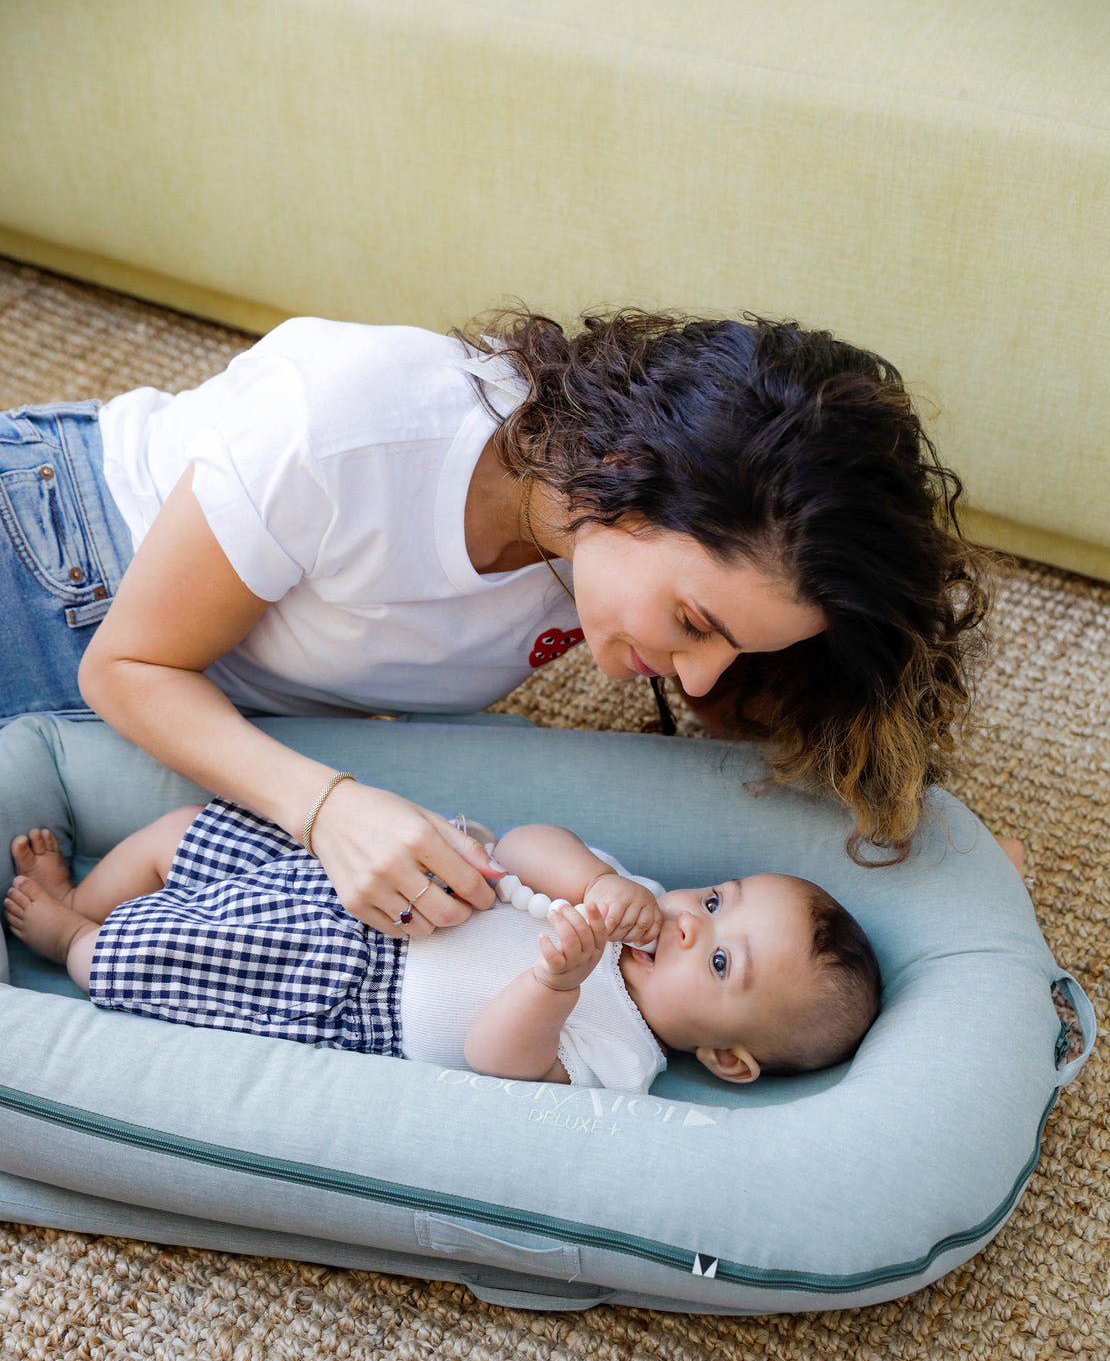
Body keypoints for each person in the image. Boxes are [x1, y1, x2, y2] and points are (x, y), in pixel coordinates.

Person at [0, 309, 991, 938]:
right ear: (622, 477)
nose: (694, 681)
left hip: (185, 685)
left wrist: (937, 858)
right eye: (695, 622)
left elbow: (799, 748)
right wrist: (328, 808)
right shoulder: (350, 422)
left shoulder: (598, 547)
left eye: (732, 645)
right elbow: (124, 667)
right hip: (55, 567)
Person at [4, 811, 881, 1090]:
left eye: (722, 963)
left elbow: (496, 1060)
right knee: (189, 832)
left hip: (346, 987)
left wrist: (557, 981)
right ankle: (87, 892)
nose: (693, 923)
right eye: (719, 898)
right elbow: (523, 840)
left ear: (726, 1056)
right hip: (371, 881)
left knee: (158, 957)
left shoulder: (626, 1058)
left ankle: (72, 935)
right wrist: (591, 880)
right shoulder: (631, 901)